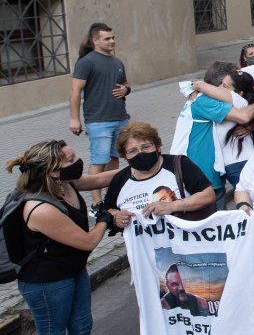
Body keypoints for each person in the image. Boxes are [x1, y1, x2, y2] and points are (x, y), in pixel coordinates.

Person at [5, 140, 115, 335]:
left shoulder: (65, 183)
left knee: (82, 327)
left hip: (73, 270)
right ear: (53, 172)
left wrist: (137, 167)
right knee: (52, 331)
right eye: (71, 159)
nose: (78, 160)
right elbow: (88, 242)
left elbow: (99, 180)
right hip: (46, 282)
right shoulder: (41, 209)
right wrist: (105, 217)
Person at [104, 122, 215, 231]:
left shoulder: (179, 165)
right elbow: (107, 210)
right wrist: (116, 217)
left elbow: (208, 195)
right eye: (132, 151)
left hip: (186, 242)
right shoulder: (120, 180)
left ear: (158, 146)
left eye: (146, 147)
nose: (140, 153)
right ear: (124, 155)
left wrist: (172, 206)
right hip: (144, 247)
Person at [69, 22, 131, 203]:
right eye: (107, 38)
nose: (112, 41)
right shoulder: (86, 62)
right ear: (95, 41)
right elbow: (74, 92)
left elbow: (125, 84)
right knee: (99, 161)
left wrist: (126, 90)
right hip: (99, 121)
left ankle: (113, 196)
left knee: (114, 159)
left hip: (121, 119)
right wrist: (74, 119)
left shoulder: (117, 61)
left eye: (113, 38)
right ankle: (96, 203)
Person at [183, 64, 254, 199]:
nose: (219, 88)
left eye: (224, 86)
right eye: (219, 84)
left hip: (239, 163)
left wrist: (196, 86)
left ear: (240, 93)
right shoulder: (243, 102)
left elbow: (245, 117)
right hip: (241, 161)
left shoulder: (237, 101)